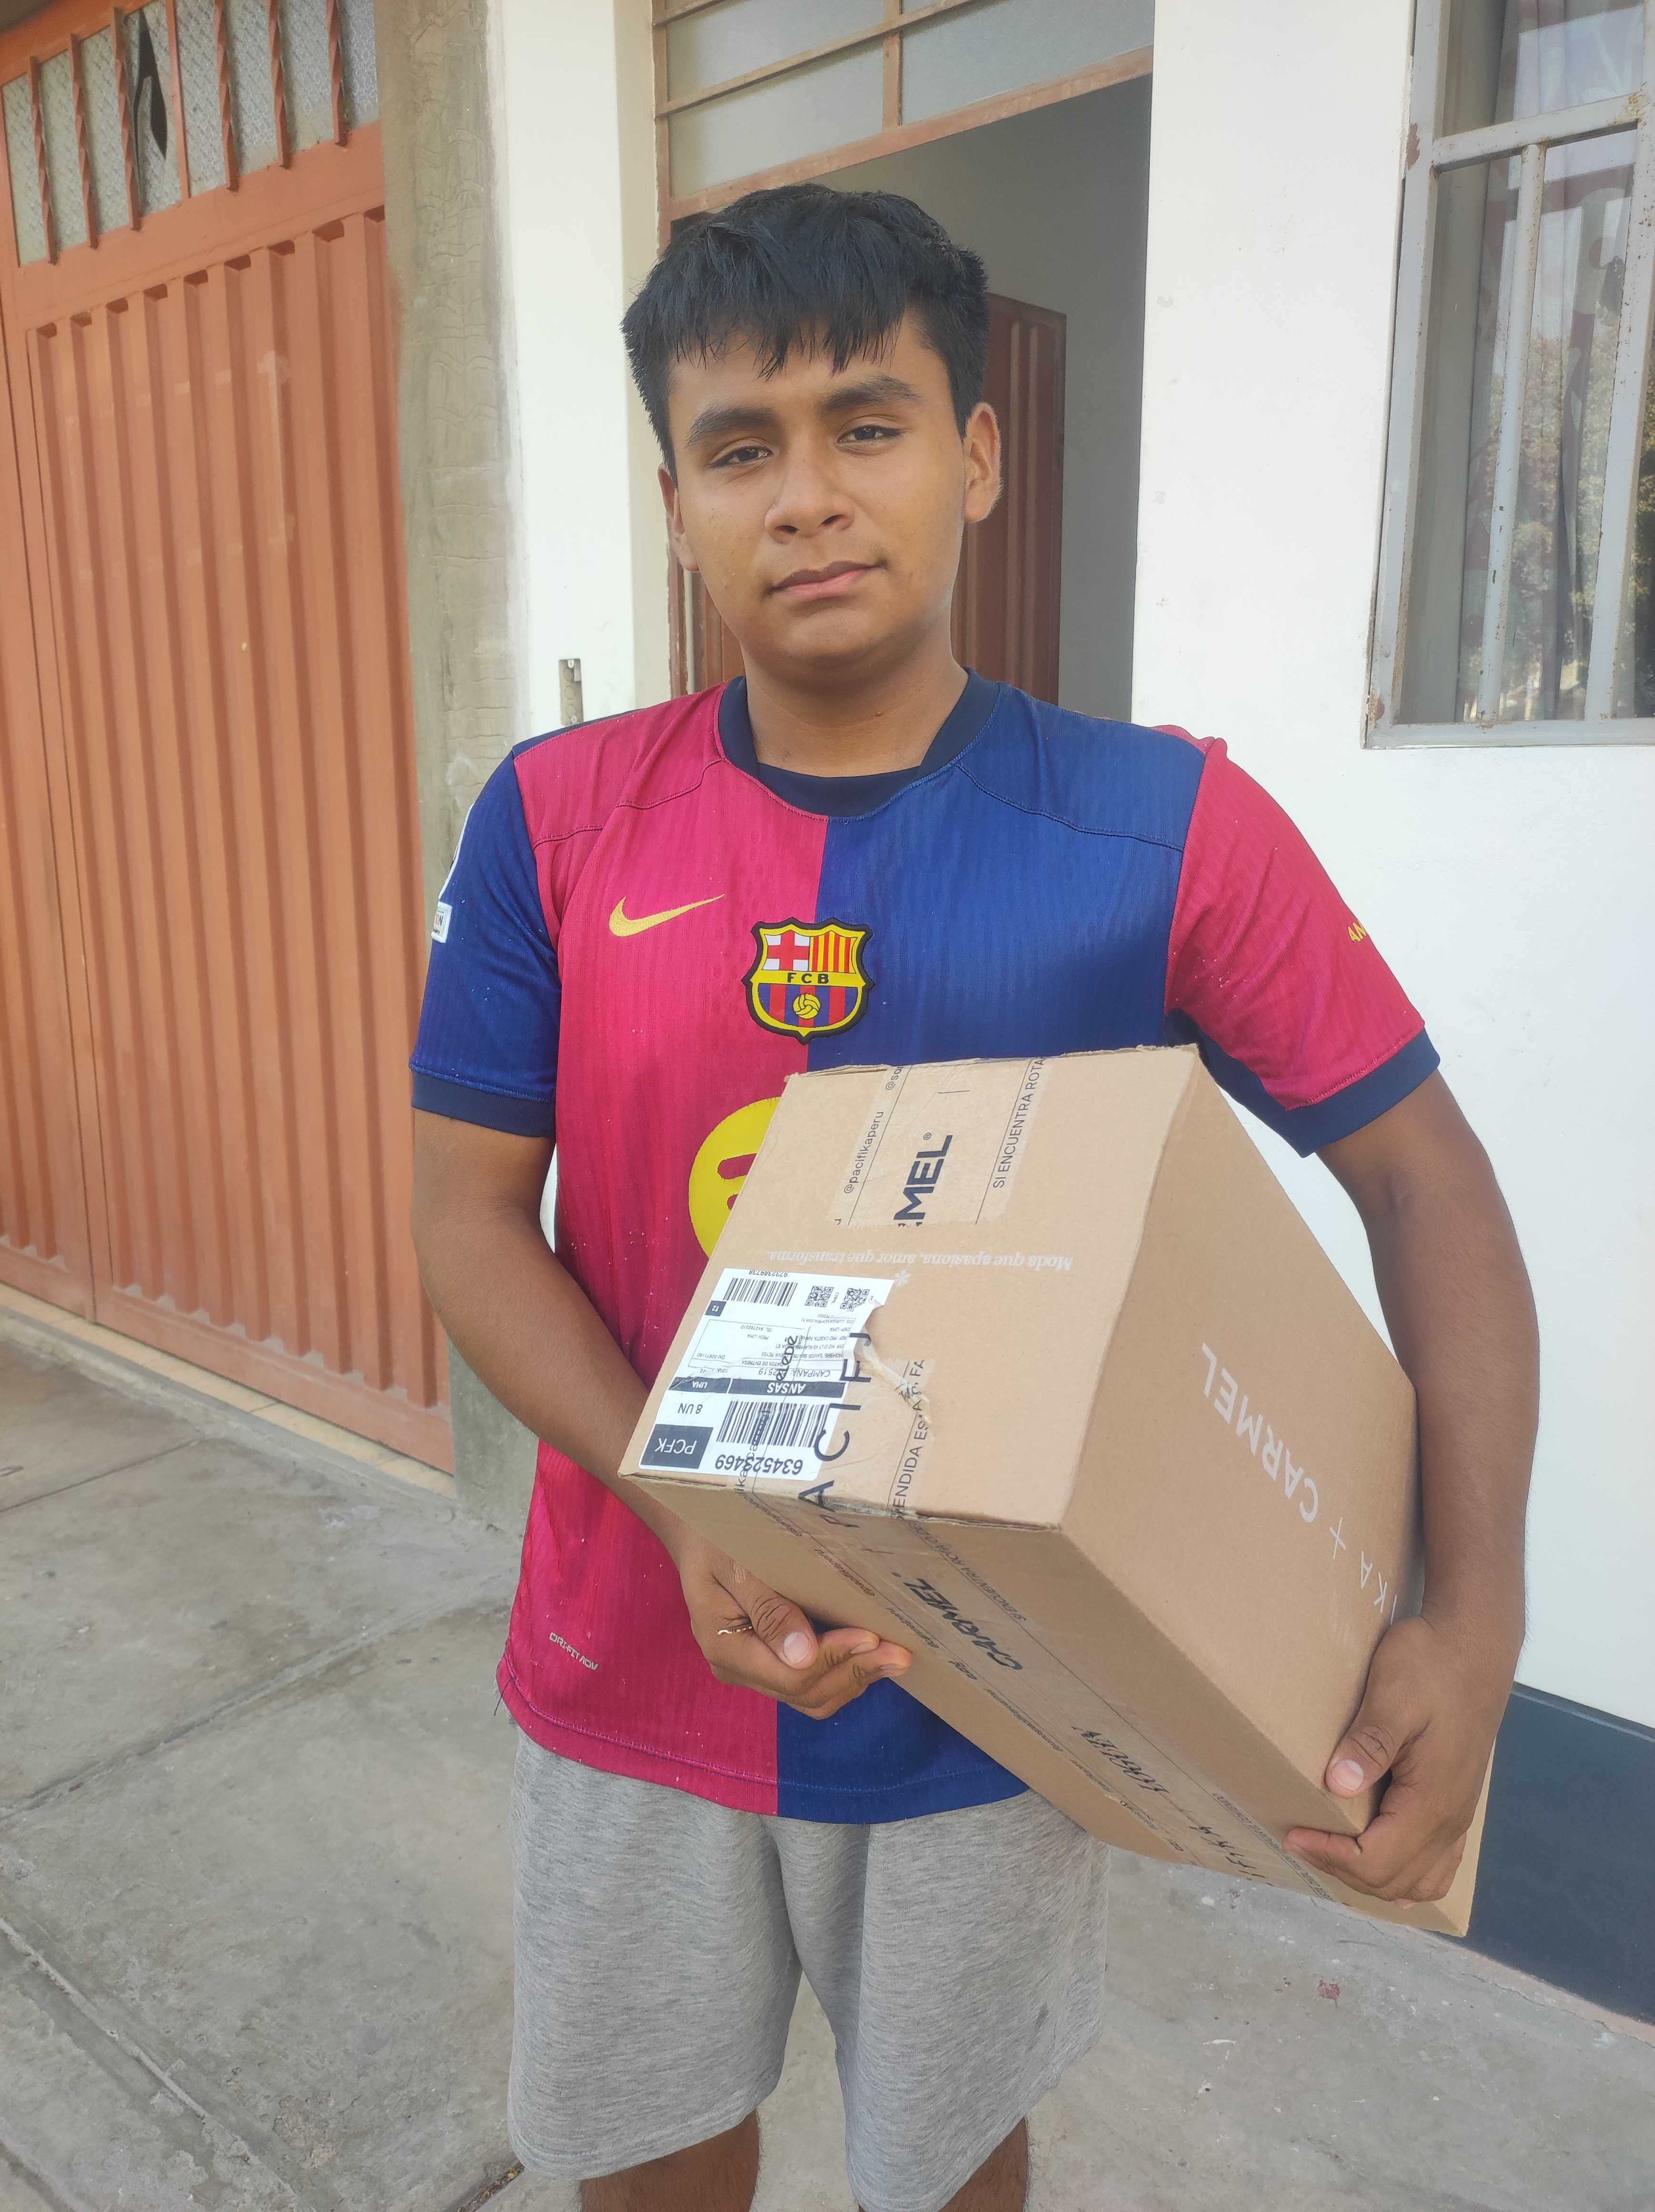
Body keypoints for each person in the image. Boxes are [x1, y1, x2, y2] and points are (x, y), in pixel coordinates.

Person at [408, 185, 1537, 2212]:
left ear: (978, 454)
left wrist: (1477, 1605)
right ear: (674, 501)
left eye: (870, 424)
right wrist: (684, 1503)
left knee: (946, 2172)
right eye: (740, 449)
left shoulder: (1161, 826)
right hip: (632, 1657)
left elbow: (1426, 1175)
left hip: (992, 1701)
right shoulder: (554, 823)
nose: (809, 497)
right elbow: (470, 1220)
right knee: (640, 2167)